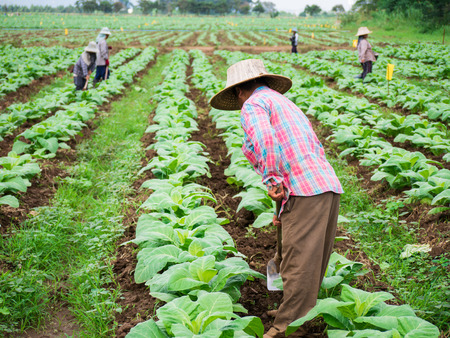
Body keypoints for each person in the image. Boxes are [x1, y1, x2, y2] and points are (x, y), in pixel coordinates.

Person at [210, 59, 343, 338]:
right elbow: (311, 145)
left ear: (238, 92)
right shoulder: (283, 102)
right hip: (325, 185)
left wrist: (273, 181)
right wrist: (282, 205)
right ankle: (293, 312)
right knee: (310, 258)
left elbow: (266, 141)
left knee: (298, 263)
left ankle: (288, 328)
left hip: (304, 191)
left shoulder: (253, 105)